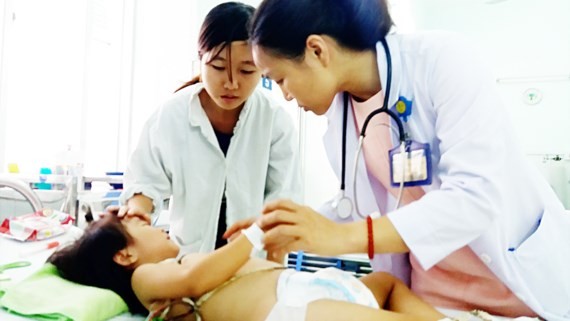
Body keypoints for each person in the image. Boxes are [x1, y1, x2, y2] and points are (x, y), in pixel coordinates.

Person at [232, 0, 570, 320]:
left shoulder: (442, 60)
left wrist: (340, 236)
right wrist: (284, 227)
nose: (286, 95)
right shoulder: (343, 114)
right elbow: (356, 204)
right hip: (430, 296)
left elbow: (475, 197)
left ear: (318, 50)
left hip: (518, 285)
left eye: (280, 79)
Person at [117, 2, 301, 253]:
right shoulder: (171, 115)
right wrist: (138, 211)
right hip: (188, 262)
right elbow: (145, 180)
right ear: (200, 62)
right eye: (218, 68)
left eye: (247, 71)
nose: (232, 83)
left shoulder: (274, 121)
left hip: (249, 262)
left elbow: (284, 201)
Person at [47, 214, 445, 321]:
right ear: (125, 255)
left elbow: (263, 271)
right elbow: (194, 279)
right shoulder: (146, 279)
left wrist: (273, 246)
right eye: (137, 226)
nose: (151, 223)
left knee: (387, 284)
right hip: (293, 311)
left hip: (302, 287)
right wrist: (254, 233)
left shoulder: (187, 257)